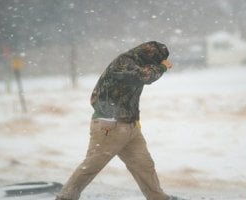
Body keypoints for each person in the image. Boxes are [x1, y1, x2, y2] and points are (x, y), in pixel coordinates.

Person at [56, 41, 181, 200]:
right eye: (156, 61)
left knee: (144, 165)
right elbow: (145, 76)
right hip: (109, 125)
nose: (155, 65)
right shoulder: (123, 63)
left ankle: (158, 198)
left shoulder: (138, 63)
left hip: (130, 126)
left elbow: (144, 75)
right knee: (92, 165)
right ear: (150, 56)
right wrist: (162, 67)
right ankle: (66, 197)